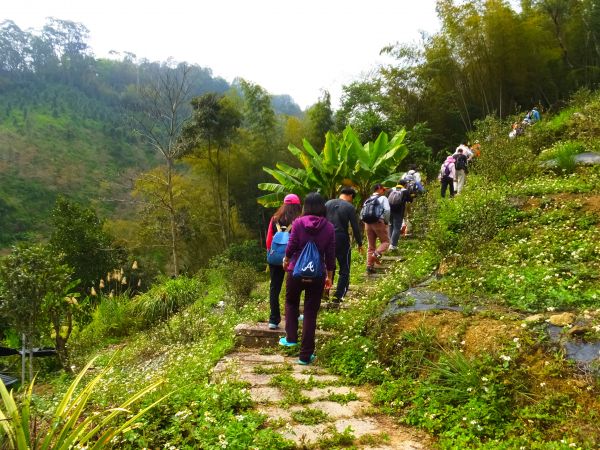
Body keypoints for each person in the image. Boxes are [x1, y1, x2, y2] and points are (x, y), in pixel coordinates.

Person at [280, 192, 335, 365]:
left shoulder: (298, 223)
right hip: (317, 274)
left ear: (306, 207)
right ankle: (305, 356)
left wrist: (286, 260)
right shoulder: (329, 227)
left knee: (291, 303)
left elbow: (292, 245)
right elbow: (331, 255)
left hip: (295, 271)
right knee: (310, 313)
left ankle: (291, 338)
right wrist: (330, 276)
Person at [265, 193, 302, 330]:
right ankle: (295, 314)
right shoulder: (299, 220)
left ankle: (273, 320)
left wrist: (271, 254)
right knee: (294, 287)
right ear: (297, 205)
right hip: (293, 258)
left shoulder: (275, 219)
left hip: (275, 257)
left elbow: (269, 240)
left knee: (274, 288)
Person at [325, 187, 363, 303]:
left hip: (326, 236)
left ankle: (325, 291)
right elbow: (355, 227)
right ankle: (338, 296)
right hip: (341, 237)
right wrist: (360, 243)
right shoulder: (349, 207)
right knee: (344, 268)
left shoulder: (327, 204)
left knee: (328, 266)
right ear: (350, 195)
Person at [363, 183, 391, 274]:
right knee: (386, 242)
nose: (383, 191)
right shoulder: (383, 198)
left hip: (367, 223)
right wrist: (386, 221)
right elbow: (387, 210)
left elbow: (363, 213)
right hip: (378, 221)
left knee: (371, 246)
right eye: (383, 189)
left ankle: (369, 266)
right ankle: (375, 255)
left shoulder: (367, 199)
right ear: (379, 189)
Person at [387, 179, 410, 251]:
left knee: (391, 226)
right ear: (405, 185)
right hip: (399, 211)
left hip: (389, 210)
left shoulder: (391, 190)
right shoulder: (405, 191)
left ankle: (390, 243)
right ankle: (393, 245)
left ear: (397, 183)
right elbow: (410, 199)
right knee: (397, 228)